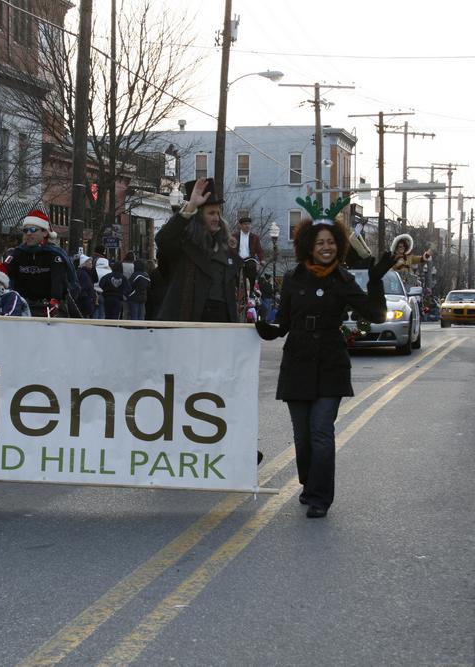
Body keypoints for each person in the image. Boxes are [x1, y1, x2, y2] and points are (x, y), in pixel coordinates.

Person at [255, 203, 394, 518]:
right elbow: (285, 323)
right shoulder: (293, 278)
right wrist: (269, 329)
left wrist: (375, 280)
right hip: (297, 362)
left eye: (331, 242)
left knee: (321, 431)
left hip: (330, 361)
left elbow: (375, 314)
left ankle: (320, 497)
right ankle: (309, 484)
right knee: (302, 437)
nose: (326, 247)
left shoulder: (342, 279)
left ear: (339, 245)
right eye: (320, 243)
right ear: (309, 246)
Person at [155, 178, 241, 322]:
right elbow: (163, 240)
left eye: (218, 213)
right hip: (189, 323)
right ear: (198, 217)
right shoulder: (183, 248)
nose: (216, 218)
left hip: (222, 325)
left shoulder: (228, 253)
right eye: (211, 213)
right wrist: (191, 207)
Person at [4, 211, 75, 316]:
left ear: (45, 232)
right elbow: (6, 277)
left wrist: (55, 301)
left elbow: (59, 281)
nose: (28, 233)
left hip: (49, 307)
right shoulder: (16, 254)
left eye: (33, 230)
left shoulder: (55, 255)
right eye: (25, 230)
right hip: (21, 306)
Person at [232, 216, 263, 298]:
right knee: (234, 273)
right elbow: (230, 248)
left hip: (249, 258)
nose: (247, 226)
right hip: (238, 258)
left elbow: (259, 250)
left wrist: (262, 260)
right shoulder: (234, 236)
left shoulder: (255, 237)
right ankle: (236, 290)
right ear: (240, 226)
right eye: (245, 224)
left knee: (252, 268)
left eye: (249, 224)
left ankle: (252, 289)